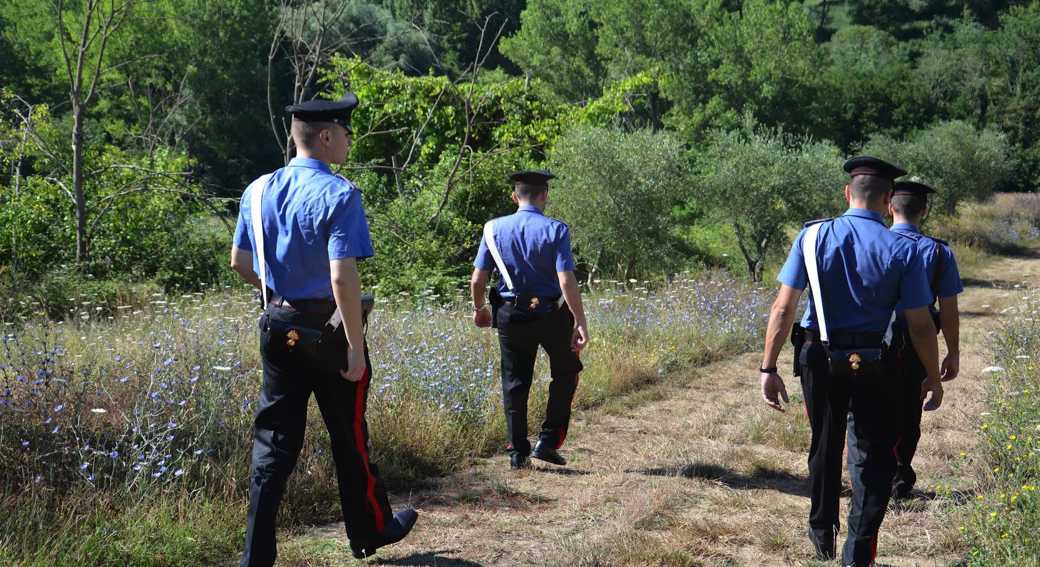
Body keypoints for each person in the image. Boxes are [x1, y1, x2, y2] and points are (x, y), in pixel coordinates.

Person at [229, 92, 416, 566]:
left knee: (273, 443)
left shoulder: (257, 191)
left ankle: (256, 557)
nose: (350, 141)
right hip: (330, 333)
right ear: (327, 136)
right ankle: (370, 529)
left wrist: (276, 290)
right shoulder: (340, 193)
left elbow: (239, 262)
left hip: (279, 326)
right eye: (347, 133)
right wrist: (355, 345)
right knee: (348, 435)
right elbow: (341, 277)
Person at [757, 156, 944, 566]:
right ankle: (857, 553)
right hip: (880, 363)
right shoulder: (904, 249)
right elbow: (920, 326)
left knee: (824, 444)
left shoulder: (811, 237)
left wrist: (768, 368)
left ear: (847, 194)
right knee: (873, 458)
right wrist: (932, 374)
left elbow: (783, 309)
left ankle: (821, 532)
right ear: (888, 199)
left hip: (817, 357)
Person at [470, 169, 590, 470]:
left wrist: (479, 309)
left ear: (515, 196)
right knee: (567, 371)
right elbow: (566, 280)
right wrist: (580, 321)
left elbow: (477, 279)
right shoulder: (557, 230)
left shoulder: (492, 229)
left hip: (511, 313)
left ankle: (517, 453)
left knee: (514, 381)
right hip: (552, 313)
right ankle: (548, 442)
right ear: (544, 195)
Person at [888, 180, 963, 499]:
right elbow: (948, 310)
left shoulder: (873, 243)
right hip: (919, 344)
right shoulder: (937, 250)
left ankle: (874, 471)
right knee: (909, 409)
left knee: (869, 407)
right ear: (925, 210)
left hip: (872, 338)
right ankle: (900, 475)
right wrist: (952, 351)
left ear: (890, 207)